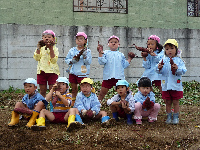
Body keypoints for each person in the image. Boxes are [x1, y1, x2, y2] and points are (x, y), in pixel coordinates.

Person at [156, 39, 187, 124]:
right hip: (165, 85)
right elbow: (158, 71)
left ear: (176, 49)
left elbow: (183, 70)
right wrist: (159, 68)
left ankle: (176, 117)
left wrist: (177, 69)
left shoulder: (179, 60)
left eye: (171, 48)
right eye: (167, 49)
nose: (169, 50)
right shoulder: (163, 60)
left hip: (175, 85)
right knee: (168, 102)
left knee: (176, 101)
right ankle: (169, 116)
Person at [97, 35, 134, 101]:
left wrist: (130, 59)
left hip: (119, 77)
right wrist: (100, 53)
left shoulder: (121, 54)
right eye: (111, 42)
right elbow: (102, 62)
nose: (113, 43)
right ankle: (96, 107)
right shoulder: (105, 53)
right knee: (102, 93)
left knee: (125, 93)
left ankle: (127, 106)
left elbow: (124, 65)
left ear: (118, 44)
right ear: (108, 44)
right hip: (108, 77)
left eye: (115, 42)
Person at [65, 32, 92, 106]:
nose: (79, 40)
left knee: (83, 89)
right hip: (73, 72)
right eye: (77, 39)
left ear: (85, 41)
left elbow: (88, 62)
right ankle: (73, 104)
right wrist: (72, 60)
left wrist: (84, 56)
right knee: (74, 89)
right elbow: (67, 60)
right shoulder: (72, 50)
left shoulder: (87, 51)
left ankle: (83, 103)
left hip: (82, 73)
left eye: (81, 39)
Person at [33, 30, 60, 98]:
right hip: (41, 71)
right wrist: (38, 48)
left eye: (49, 37)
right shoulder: (40, 48)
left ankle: (52, 106)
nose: (47, 38)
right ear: (42, 39)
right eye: (45, 37)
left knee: (52, 90)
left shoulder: (55, 49)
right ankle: (43, 105)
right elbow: (36, 58)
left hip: (52, 72)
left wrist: (51, 49)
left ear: (53, 39)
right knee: (42, 91)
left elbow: (54, 60)